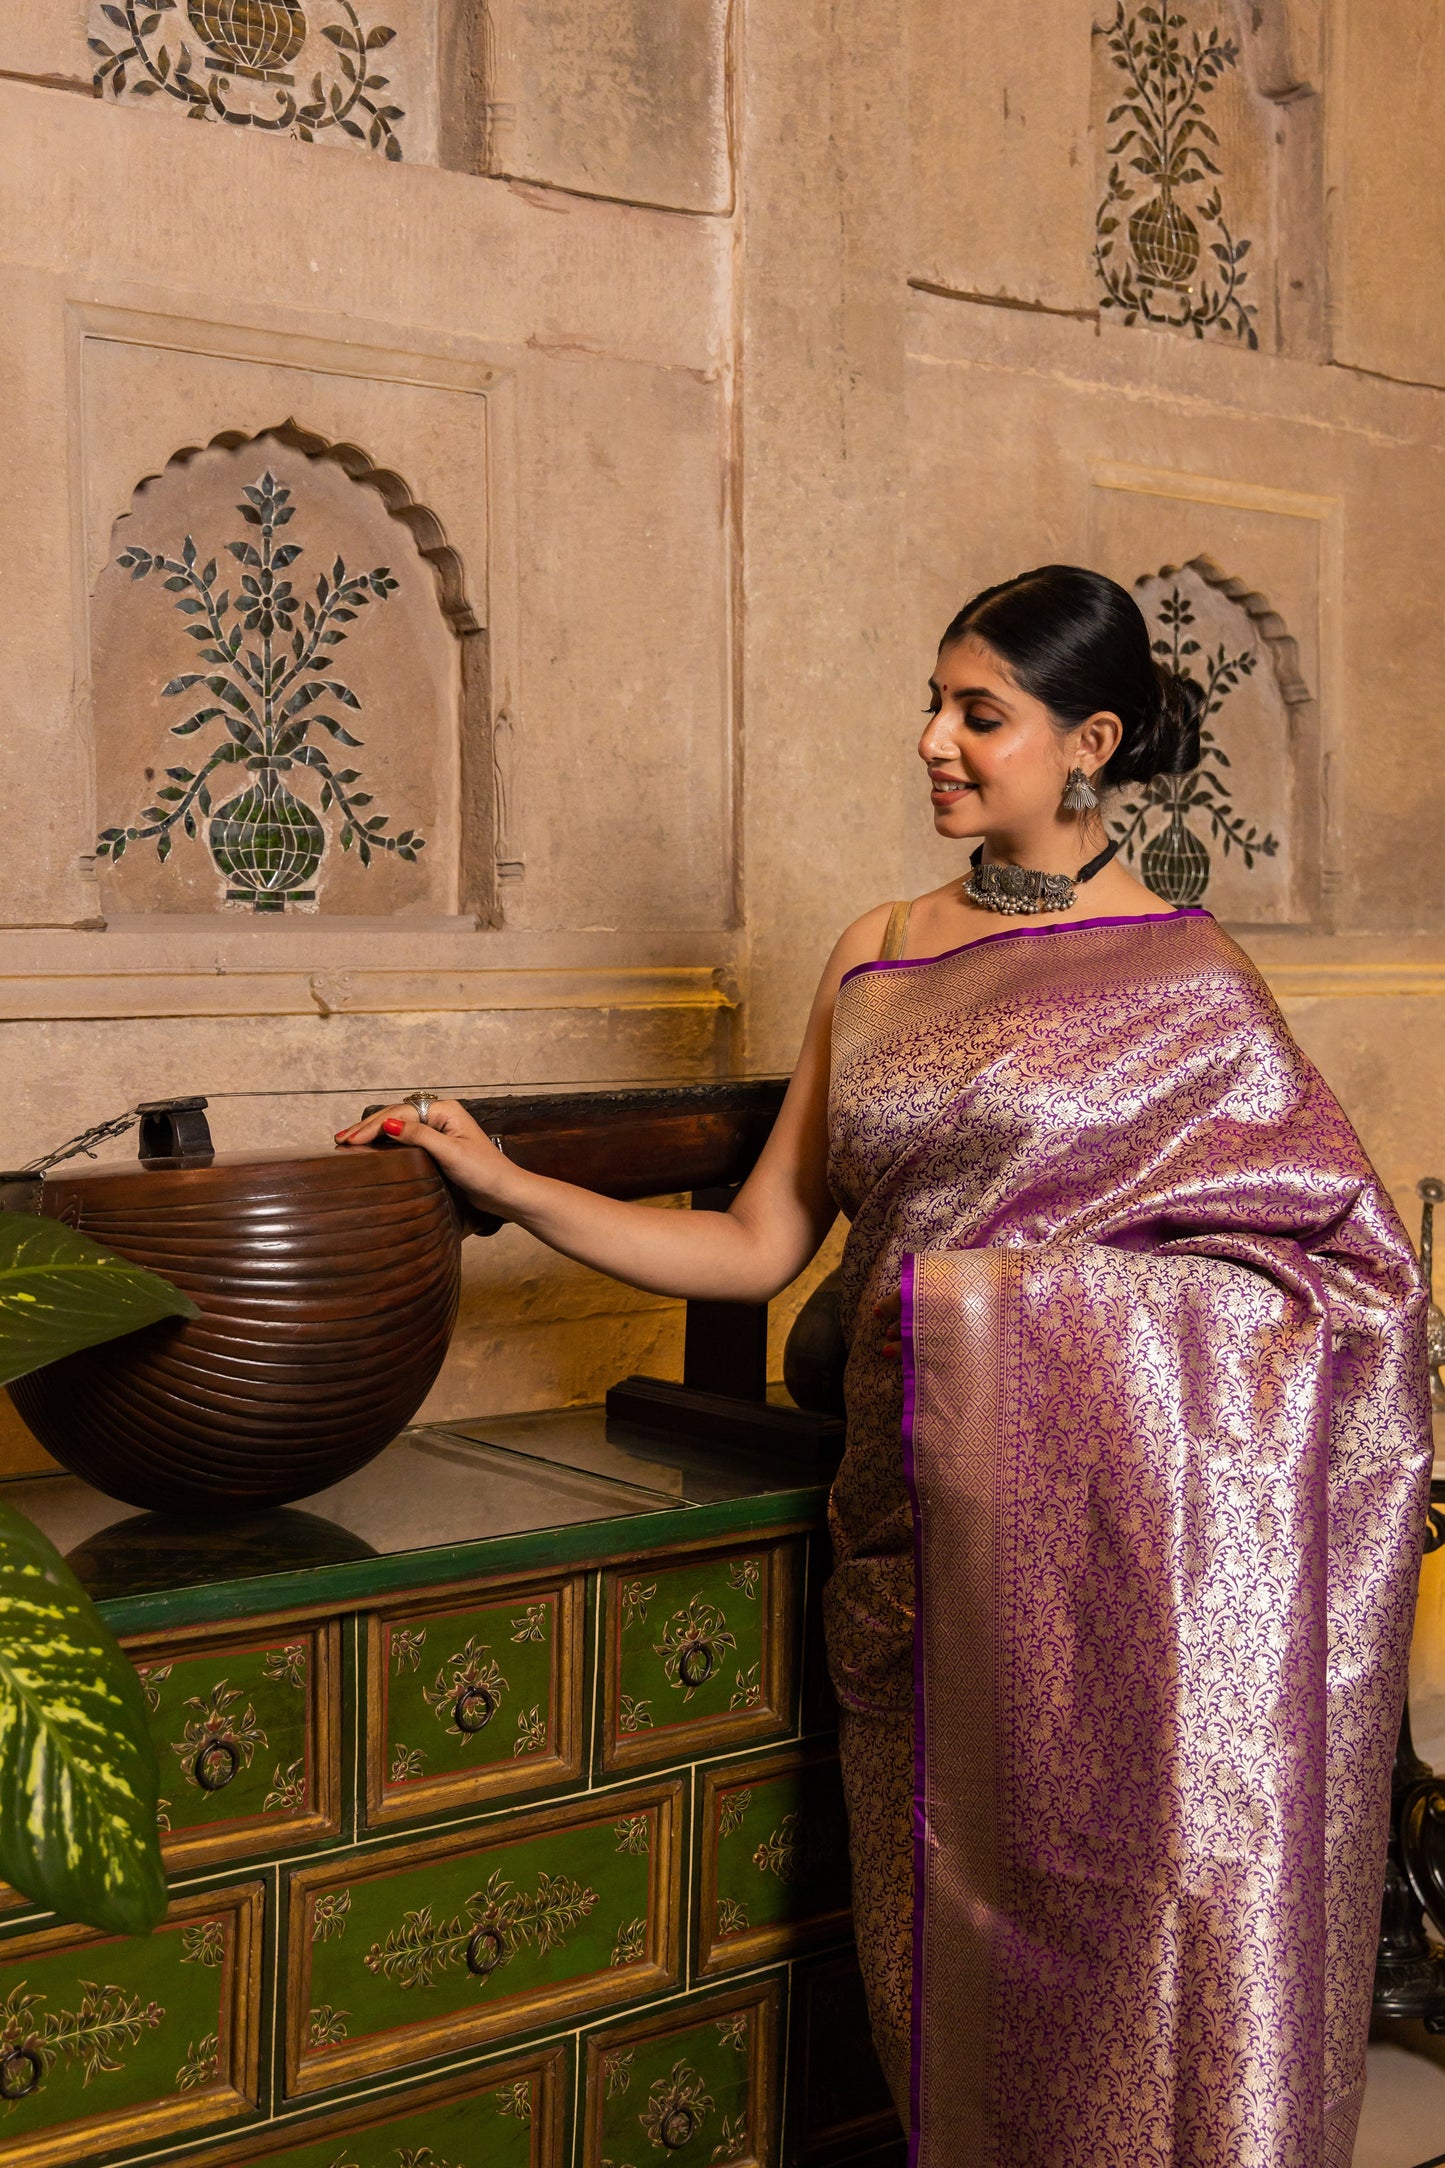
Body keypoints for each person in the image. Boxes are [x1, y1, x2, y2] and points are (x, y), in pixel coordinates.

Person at [337, 565, 1431, 2167]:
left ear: (1088, 742)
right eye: (932, 703)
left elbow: (1346, 1285)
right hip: (915, 1547)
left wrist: (1006, 1323)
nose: (933, 740)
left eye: (978, 715)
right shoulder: (875, 953)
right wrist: (503, 1186)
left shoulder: (1189, 983)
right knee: (947, 1948)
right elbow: (759, 1242)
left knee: (1149, 1951)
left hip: (1133, 1589)